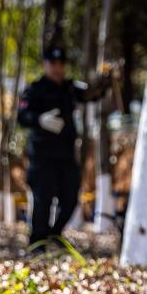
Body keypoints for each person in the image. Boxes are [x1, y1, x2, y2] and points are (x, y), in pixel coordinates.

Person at [18, 45, 110, 248]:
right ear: (45, 64)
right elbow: (21, 116)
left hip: (66, 155)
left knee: (71, 198)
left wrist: (104, 82)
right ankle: (38, 242)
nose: (57, 68)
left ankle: (54, 234)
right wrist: (39, 120)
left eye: (61, 64)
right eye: (53, 64)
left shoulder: (69, 87)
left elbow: (90, 94)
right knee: (43, 199)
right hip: (42, 156)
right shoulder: (35, 89)